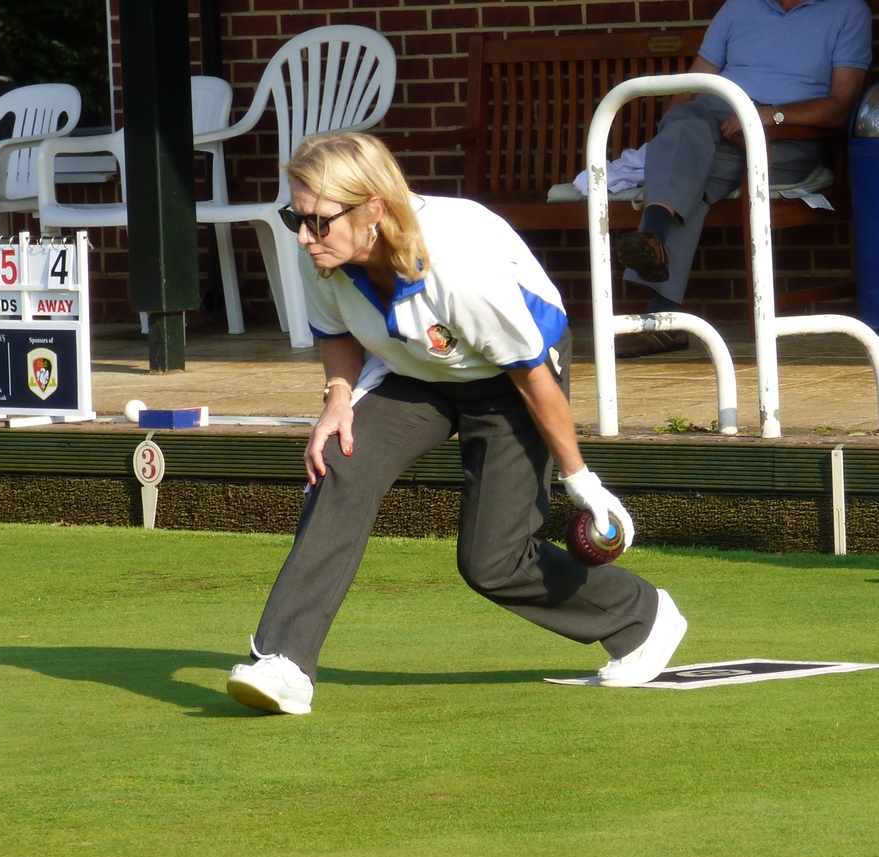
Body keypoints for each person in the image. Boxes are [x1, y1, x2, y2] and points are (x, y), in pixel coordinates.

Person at [225, 132, 687, 715]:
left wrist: (583, 482)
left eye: (317, 220)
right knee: (341, 460)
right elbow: (337, 333)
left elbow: (533, 376)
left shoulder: (457, 269)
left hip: (509, 376)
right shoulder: (324, 250)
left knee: (491, 561)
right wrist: (338, 398)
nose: (302, 235)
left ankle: (640, 617)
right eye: (296, 215)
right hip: (414, 366)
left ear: (373, 208)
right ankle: (284, 663)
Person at [615, 0, 872, 358]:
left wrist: (768, 116)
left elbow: (841, 104)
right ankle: (656, 249)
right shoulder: (738, 8)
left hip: (785, 135)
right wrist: (676, 134)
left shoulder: (847, 11)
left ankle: (662, 305)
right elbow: (688, 89)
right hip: (714, 123)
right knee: (688, 134)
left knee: (687, 173)